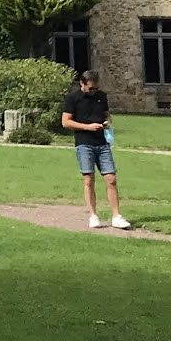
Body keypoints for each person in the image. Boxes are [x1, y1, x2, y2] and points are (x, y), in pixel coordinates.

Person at [61, 69, 131, 230]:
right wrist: (87, 127)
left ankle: (116, 216)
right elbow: (66, 122)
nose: (93, 92)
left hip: (102, 142)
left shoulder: (101, 97)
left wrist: (106, 122)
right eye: (90, 89)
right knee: (88, 178)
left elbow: (107, 115)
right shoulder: (73, 99)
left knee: (111, 178)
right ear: (82, 84)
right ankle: (93, 215)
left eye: (96, 88)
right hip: (84, 142)